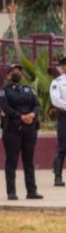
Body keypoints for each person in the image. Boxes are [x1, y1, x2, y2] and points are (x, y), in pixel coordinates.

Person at [0, 64, 42, 200]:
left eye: (19, 71)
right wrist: (20, 116)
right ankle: (11, 192)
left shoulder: (28, 89)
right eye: (14, 71)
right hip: (13, 130)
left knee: (29, 161)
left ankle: (31, 191)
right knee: (12, 161)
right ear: (8, 75)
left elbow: (37, 105)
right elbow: (5, 106)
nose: (17, 73)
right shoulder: (4, 91)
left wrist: (32, 115)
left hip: (29, 129)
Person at [51, 57, 66, 188]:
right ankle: (58, 176)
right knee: (62, 147)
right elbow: (56, 100)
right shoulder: (57, 82)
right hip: (64, 117)